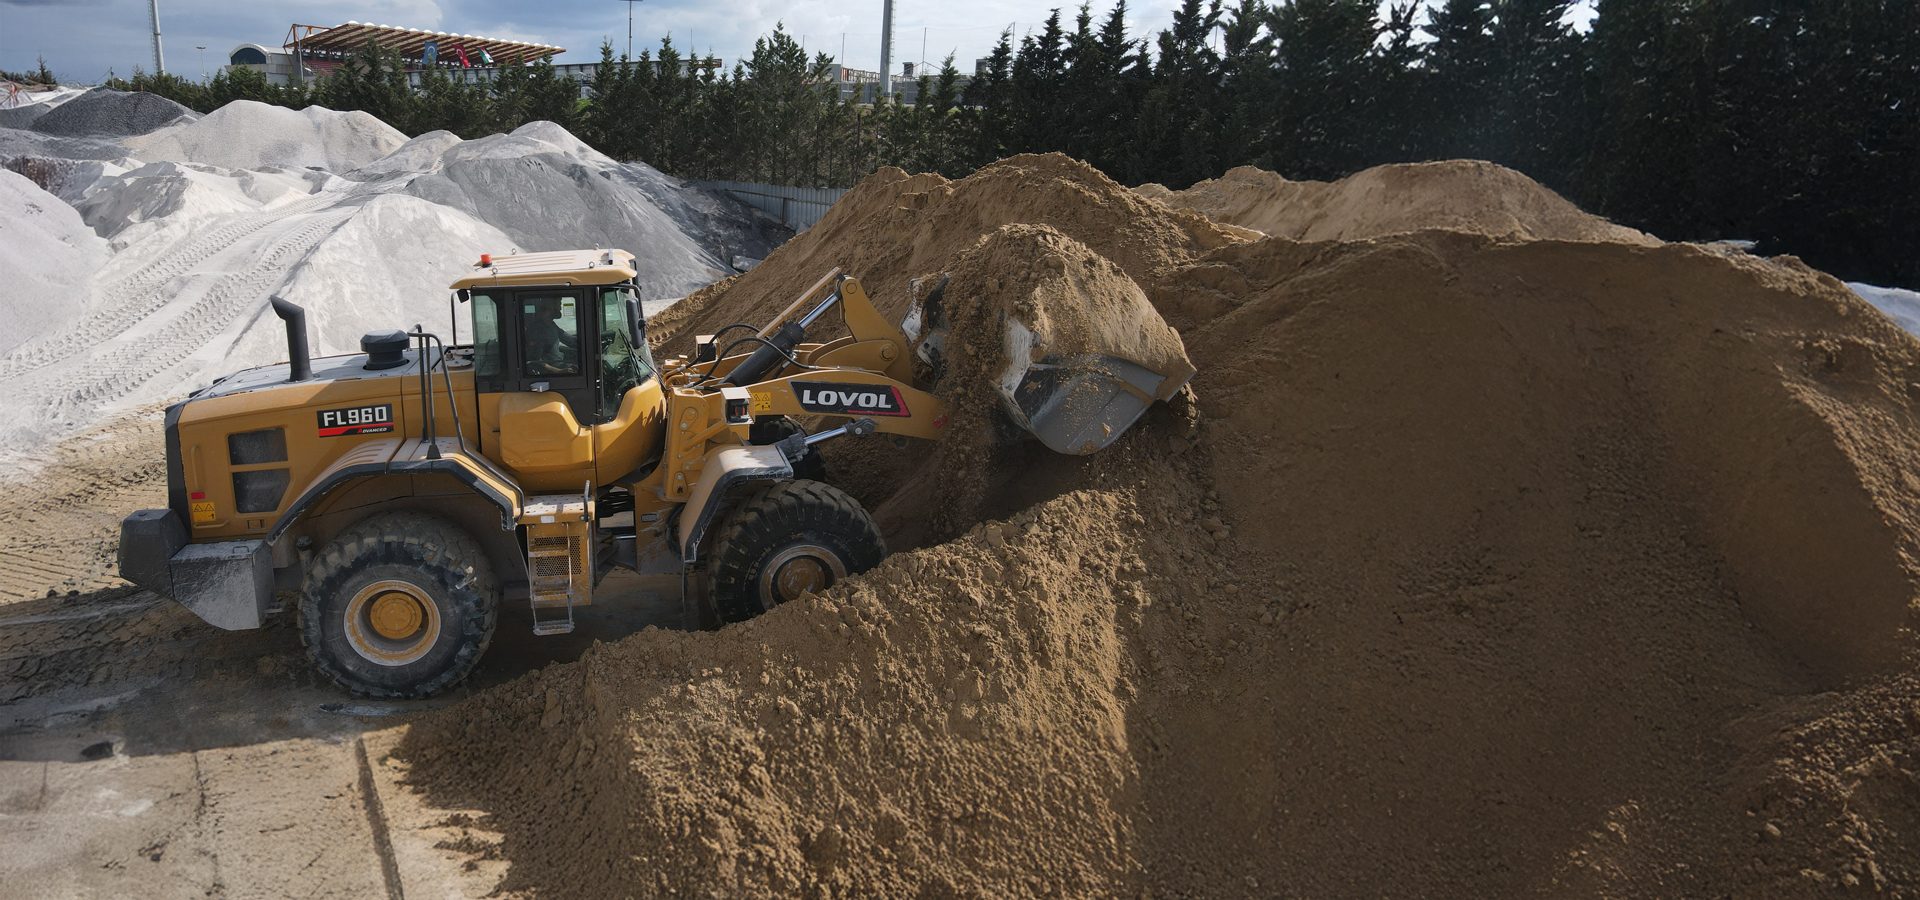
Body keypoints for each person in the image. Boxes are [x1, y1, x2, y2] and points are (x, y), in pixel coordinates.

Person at [524, 296, 578, 375]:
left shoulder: (551, 325)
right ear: (550, 306)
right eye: (559, 304)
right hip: (554, 370)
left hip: (561, 364)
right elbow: (535, 361)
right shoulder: (537, 329)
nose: (560, 308)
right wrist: (559, 371)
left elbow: (569, 340)